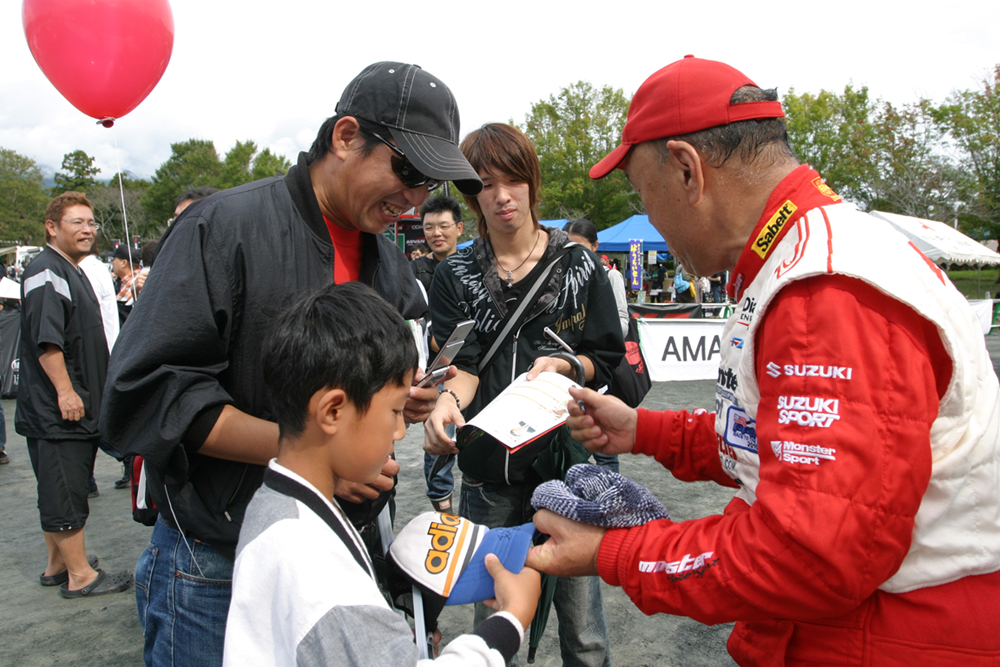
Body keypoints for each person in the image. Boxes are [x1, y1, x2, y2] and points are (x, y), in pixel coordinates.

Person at [525, 56, 1000, 666]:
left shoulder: (822, 289)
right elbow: (775, 444)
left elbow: (809, 553)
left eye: (645, 196)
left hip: (889, 636)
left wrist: (613, 553)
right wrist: (644, 429)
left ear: (687, 170)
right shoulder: (805, 255)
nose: (655, 225)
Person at [100, 61, 483, 667]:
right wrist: (307, 457)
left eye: (428, 183)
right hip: (218, 565)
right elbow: (147, 395)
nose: (413, 200)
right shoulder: (223, 228)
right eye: (408, 170)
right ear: (346, 136)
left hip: (342, 552)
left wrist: (404, 400)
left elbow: (370, 395)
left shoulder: (390, 265)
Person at [223, 282, 540, 667]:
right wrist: (509, 621)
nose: (399, 432)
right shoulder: (310, 564)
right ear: (333, 411)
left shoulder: (279, 505)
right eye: (393, 412)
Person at [424, 123, 624, 667]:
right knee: (496, 628)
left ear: (533, 183)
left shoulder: (578, 266)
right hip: (489, 475)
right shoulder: (456, 274)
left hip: (567, 472)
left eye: (513, 180)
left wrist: (569, 364)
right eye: (485, 184)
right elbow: (461, 366)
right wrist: (447, 404)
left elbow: (610, 359)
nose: (502, 195)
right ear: (471, 195)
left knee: (584, 633)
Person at [15, 191, 132, 598]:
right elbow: (48, 342)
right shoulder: (47, 271)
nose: (87, 230)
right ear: (51, 227)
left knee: (58, 483)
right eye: (76, 223)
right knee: (65, 487)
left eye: (91, 223)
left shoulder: (70, 269)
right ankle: (81, 576)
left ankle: (58, 564)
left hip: (74, 401)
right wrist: (66, 392)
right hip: (58, 408)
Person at [411, 195, 466, 514]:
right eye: (429, 227)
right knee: (440, 432)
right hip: (438, 366)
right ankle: (442, 502)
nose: (436, 232)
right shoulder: (415, 270)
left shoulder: (474, 267)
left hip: (473, 364)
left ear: (458, 227)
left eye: (443, 225)